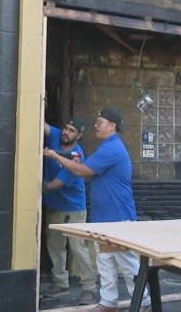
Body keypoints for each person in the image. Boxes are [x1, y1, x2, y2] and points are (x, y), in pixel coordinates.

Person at [43, 107, 151, 312]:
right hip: (105, 218)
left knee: (126, 262)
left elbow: (84, 170)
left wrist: (56, 157)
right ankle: (108, 303)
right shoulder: (107, 147)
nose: (95, 126)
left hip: (117, 217)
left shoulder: (112, 148)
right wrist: (69, 160)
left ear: (112, 126)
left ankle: (144, 302)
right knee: (105, 261)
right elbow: (89, 174)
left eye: (99, 123)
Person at [41, 116, 98, 305]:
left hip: (73, 208)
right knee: (55, 247)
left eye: (72, 130)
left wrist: (39, 186)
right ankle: (60, 283)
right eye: (66, 128)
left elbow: (57, 183)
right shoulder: (57, 136)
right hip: (55, 206)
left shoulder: (77, 156)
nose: (66, 132)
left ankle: (89, 288)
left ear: (79, 135)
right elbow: (44, 126)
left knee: (77, 248)